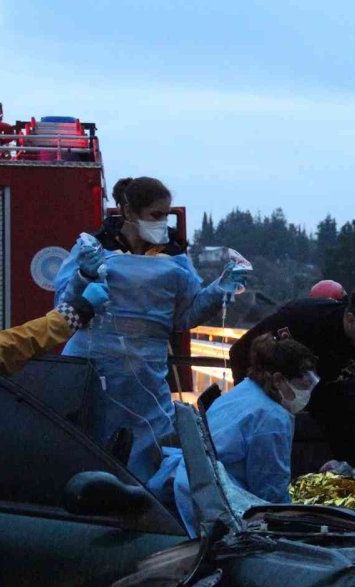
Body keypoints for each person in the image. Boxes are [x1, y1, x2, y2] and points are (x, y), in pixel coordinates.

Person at [54, 176, 247, 503]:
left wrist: (219, 290)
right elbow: (63, 306)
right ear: (128, 210)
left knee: (148, 463)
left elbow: (183, 317)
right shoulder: (94, 249)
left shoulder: (174, 258)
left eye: (166, 216)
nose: (162, 223)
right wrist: (83, 276)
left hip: (146, 381)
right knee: (88, 449)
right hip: (91, 374)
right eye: (156, 215)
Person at [229, 282, 355, 478]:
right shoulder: (302, 319)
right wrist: (254, 407)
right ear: (350, 319)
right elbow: (239, 353)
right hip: (282, 391)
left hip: (331, 391)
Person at [173, 333, 318, 529]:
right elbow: (270, 496)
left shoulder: (245, 390)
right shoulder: (271, 419)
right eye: (303, 386)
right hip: (211, 505)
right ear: (278, 380)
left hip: (192, 485)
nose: (306, 394)